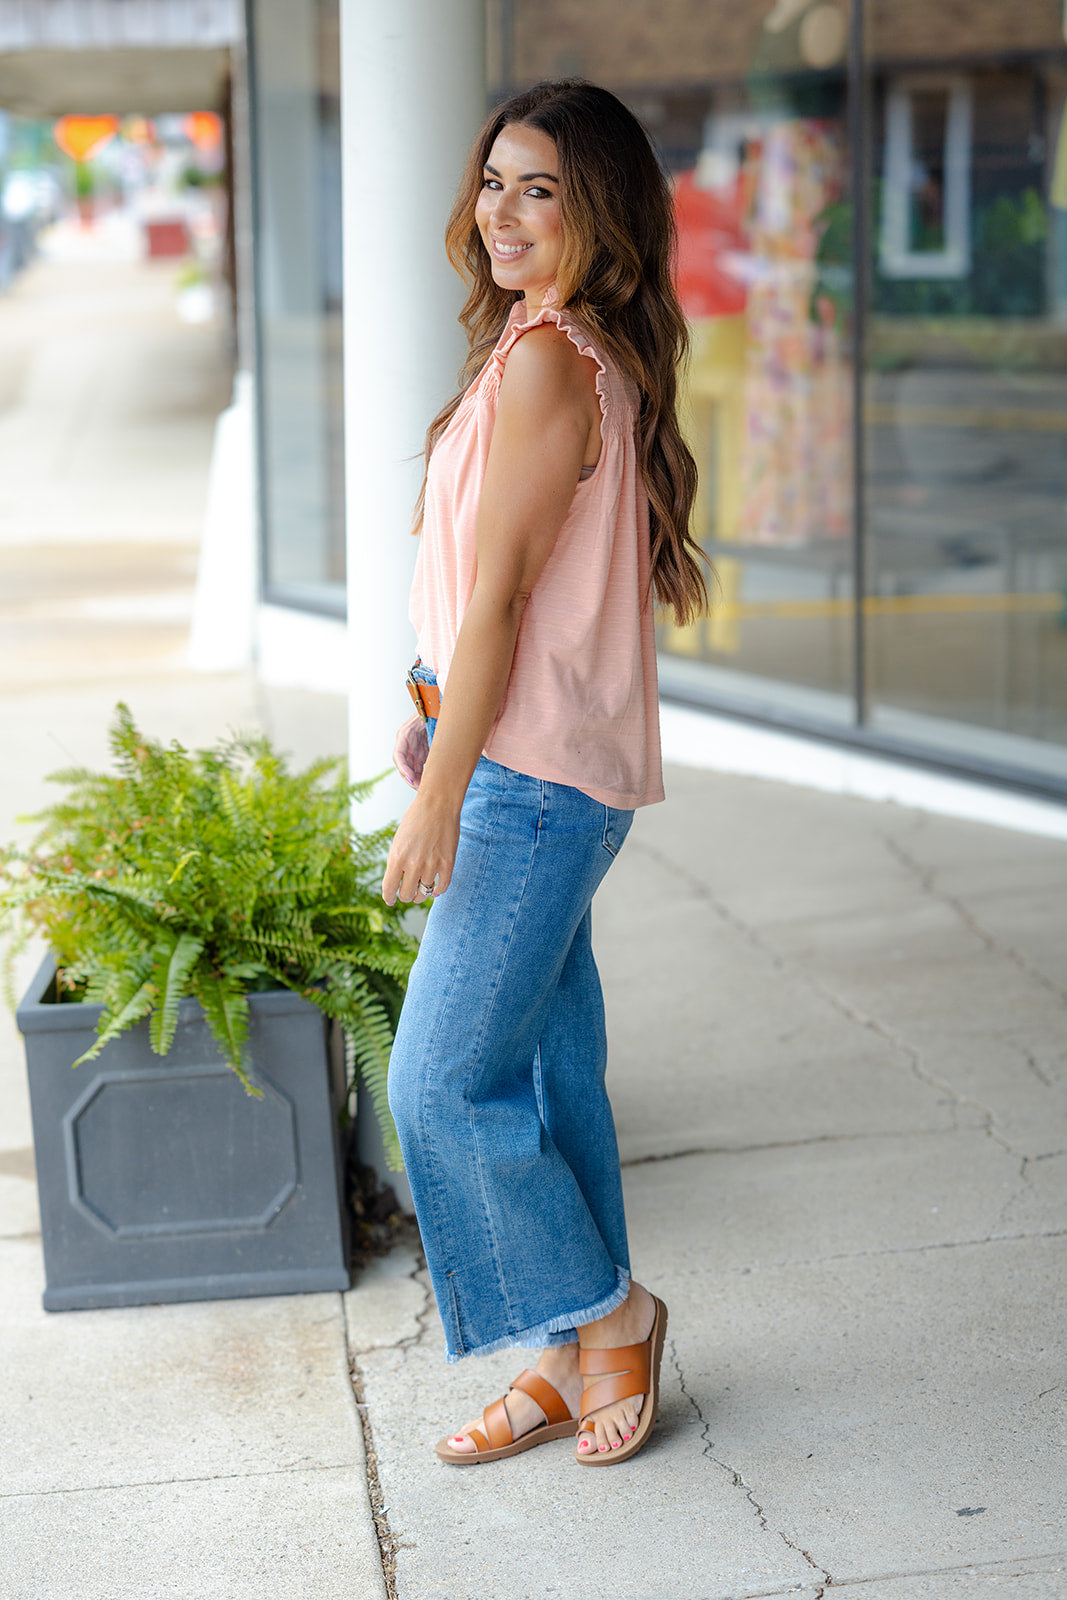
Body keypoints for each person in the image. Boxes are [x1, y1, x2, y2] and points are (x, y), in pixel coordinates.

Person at [381, 79, 707, 1467]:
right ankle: (573, 1356)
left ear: (600, 213)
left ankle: (608, 1311)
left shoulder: (549, 360)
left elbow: (504, 600)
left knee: (437, 1085)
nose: (501, 213)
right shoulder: (556, 348)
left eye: (541, 190)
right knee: (549, 1073)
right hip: (531, 761)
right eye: (494, 182)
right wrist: (435, 720)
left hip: (522, 782)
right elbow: (492, 598)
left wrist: (441, 794)